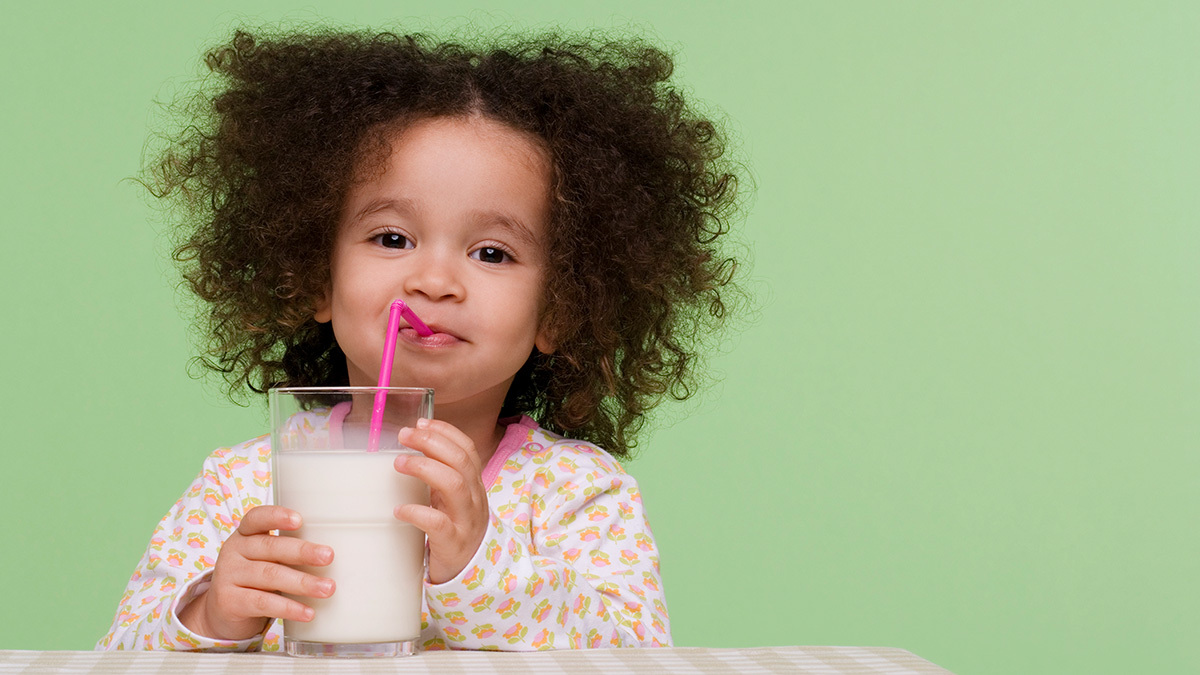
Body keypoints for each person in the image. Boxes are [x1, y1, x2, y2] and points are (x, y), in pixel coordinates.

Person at [97, 26, 744, 652]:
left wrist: (482, 564)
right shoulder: (246, 484)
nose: (433, 281)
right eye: (392, 238)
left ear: (559, 309)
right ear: (315, 279)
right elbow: (114, 655)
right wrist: (213, 614)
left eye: (491, 252)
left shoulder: (577, 493)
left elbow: (637, 656)